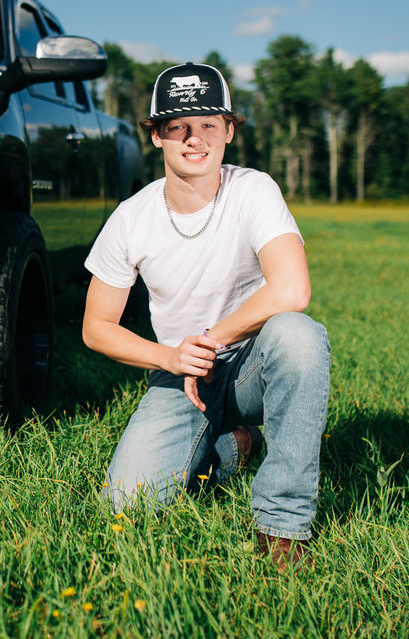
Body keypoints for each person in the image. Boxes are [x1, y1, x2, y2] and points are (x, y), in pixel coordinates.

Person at [81, 61, 330, 569]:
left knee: (299, 336)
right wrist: (172, 356)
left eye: (208, 125)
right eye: (178, 126)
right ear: (156, 135)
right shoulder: (131, 217)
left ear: (229, 131)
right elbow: (95, 327)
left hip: (250, 366)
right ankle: (232, 450)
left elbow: (293, 288)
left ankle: (281, 524)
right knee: (127, 505)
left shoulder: (254, 190)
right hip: (180, 376)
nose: (194, 139)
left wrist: (210, 339)